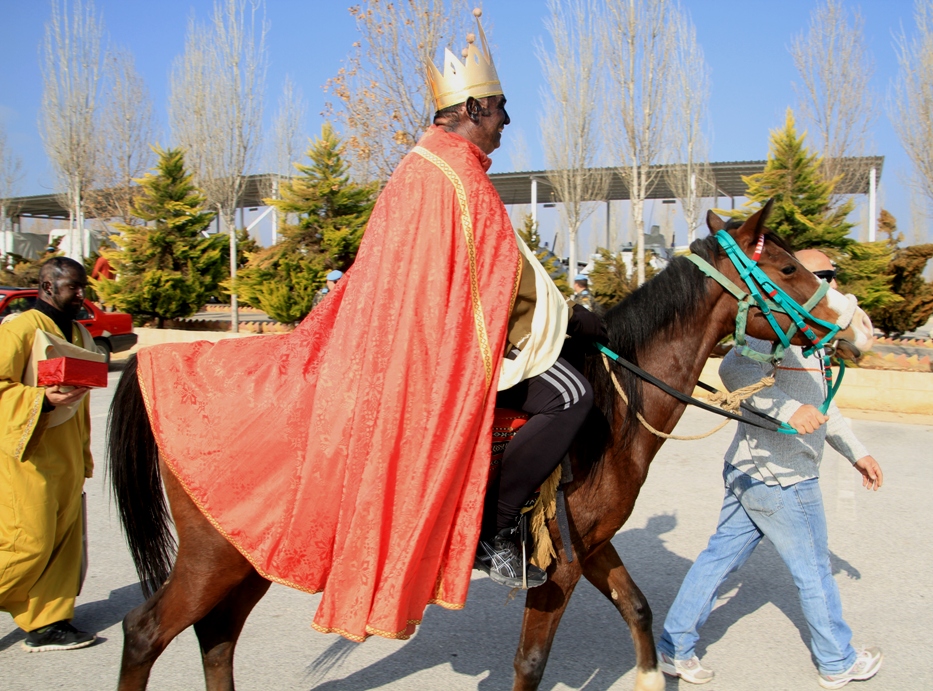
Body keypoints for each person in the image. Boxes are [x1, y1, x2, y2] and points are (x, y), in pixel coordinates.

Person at [134, 7, 600, 641]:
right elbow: (494, 285)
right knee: (573, 393)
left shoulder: (419, 166)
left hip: (407, 347)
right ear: (468, 110)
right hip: (436, 358)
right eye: (499, 109)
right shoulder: (457, 175)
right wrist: (563, 321)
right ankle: (495, 527)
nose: (506, 123)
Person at [657, 248, 884, 689]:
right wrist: (787, 409)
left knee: (716, 562)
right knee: (813, 570)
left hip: (752, 474)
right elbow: (735, 367)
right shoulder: (777, 326)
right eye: (822, 275)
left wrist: (857, 452)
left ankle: (673, 647)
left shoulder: (807, 332)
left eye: (831, 276)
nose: (829, 285)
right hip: (783, 478)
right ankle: (837, 660)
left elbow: (822, 405)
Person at [0, 257, 97, 652]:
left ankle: (48, 622)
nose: (81, 295)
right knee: (30, 541)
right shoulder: (20, 329)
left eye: (82, 286)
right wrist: (42, 398)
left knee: (64, 541)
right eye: (73, 287)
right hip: (28, 452)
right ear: (46, 287)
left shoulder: (77, 331)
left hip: (69, 450)